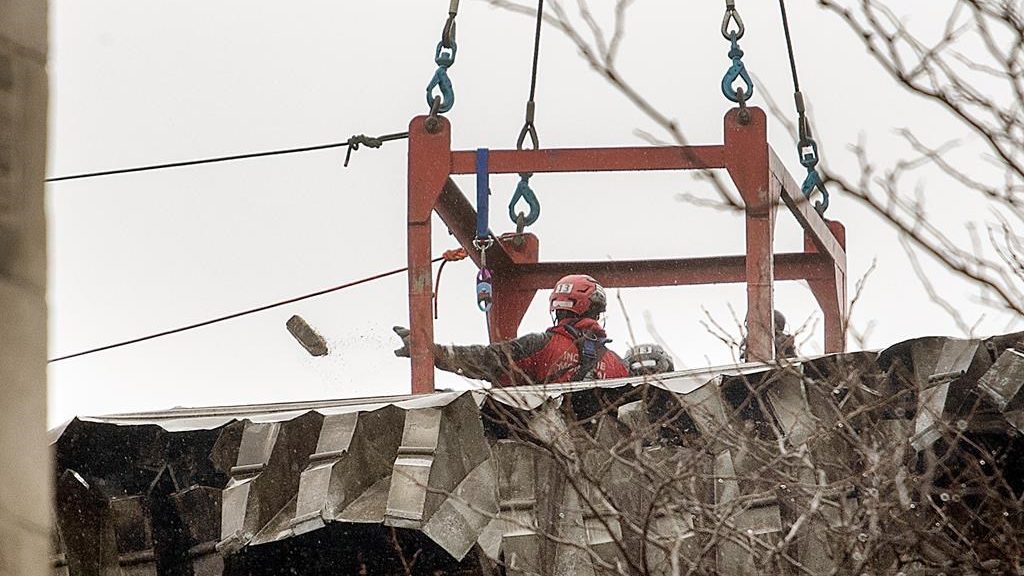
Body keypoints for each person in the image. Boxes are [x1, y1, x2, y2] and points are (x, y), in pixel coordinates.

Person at [393, 274, 629, 386]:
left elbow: (485, 360)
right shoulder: (618, 365)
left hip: (551, 463)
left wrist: (430, 351)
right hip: (604, 473)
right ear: (597, 310)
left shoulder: (540, 346)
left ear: (557, 308)